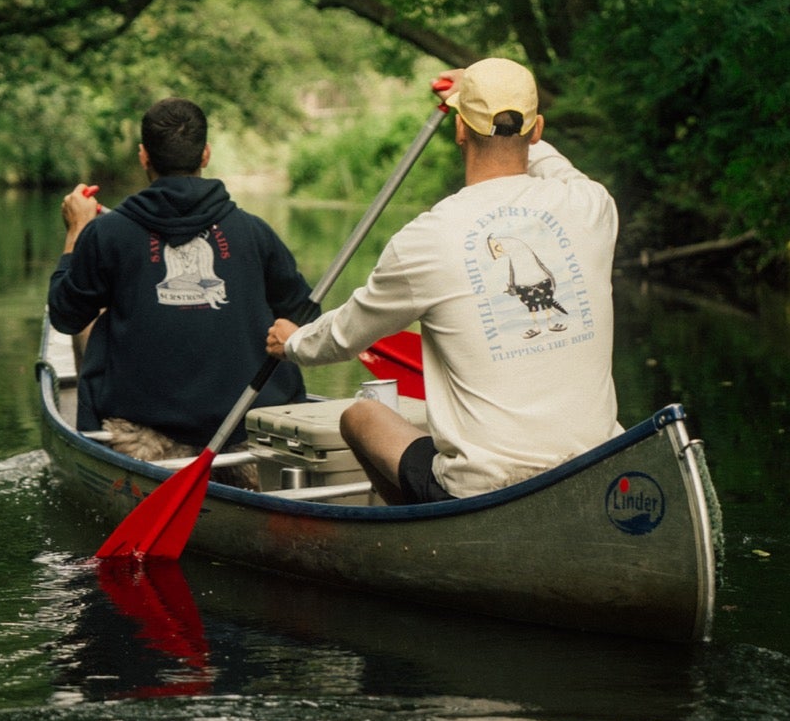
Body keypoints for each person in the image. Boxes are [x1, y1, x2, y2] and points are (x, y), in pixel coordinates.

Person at [265, 58, 621, 505]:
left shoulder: (426, 239)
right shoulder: (593, 207)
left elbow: (341, 337)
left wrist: (294, 343)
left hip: (486, 488)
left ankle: (415, 536)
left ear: (459, 131)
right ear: (537, 129)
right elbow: (556, 167)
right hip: (596, 468)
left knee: (360, 417)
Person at [49, 96, 314, 472]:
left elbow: (65, 315)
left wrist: (78, 230)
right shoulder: (255, 233)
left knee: (95, 324)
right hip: (248, 429)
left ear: (144, 156)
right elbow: (305, 316)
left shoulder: (105, 234)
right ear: (205, 155)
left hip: (144, 437)